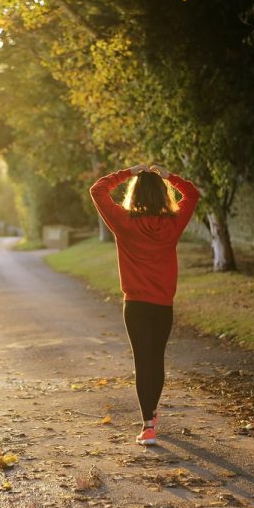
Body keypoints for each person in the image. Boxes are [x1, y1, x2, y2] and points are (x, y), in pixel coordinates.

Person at [90, 163, 200, 445]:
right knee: (156, 359)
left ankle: (148, 425)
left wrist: (129, 172)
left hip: (136, 306)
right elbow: (192, 194)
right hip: (163, 305)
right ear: (163, 195)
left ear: (134, 194)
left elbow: (98, 189)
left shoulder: (123, 222)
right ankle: (151, 414)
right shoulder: (173, 224)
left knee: (143, 362)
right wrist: (169, 176)